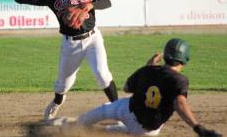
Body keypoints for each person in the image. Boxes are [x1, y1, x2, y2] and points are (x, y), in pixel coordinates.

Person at [14, 0, 118, 121]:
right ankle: (58, 100)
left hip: (93, 39)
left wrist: (91, 5)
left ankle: (118, 108)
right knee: (63, 84)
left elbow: (106, 2)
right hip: (70, 44)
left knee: (102, 74)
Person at [77, 38, 222, 137]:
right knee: (121, 131)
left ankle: (74, 127)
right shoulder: (180, 80)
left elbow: (127, 88)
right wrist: (197, 127)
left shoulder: (148, 71)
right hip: (148, 130)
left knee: (101, 112)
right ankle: (104, 132)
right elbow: (179, 103)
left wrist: (148, 67)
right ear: (185, 60)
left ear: (166, 56)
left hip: (126, 111)